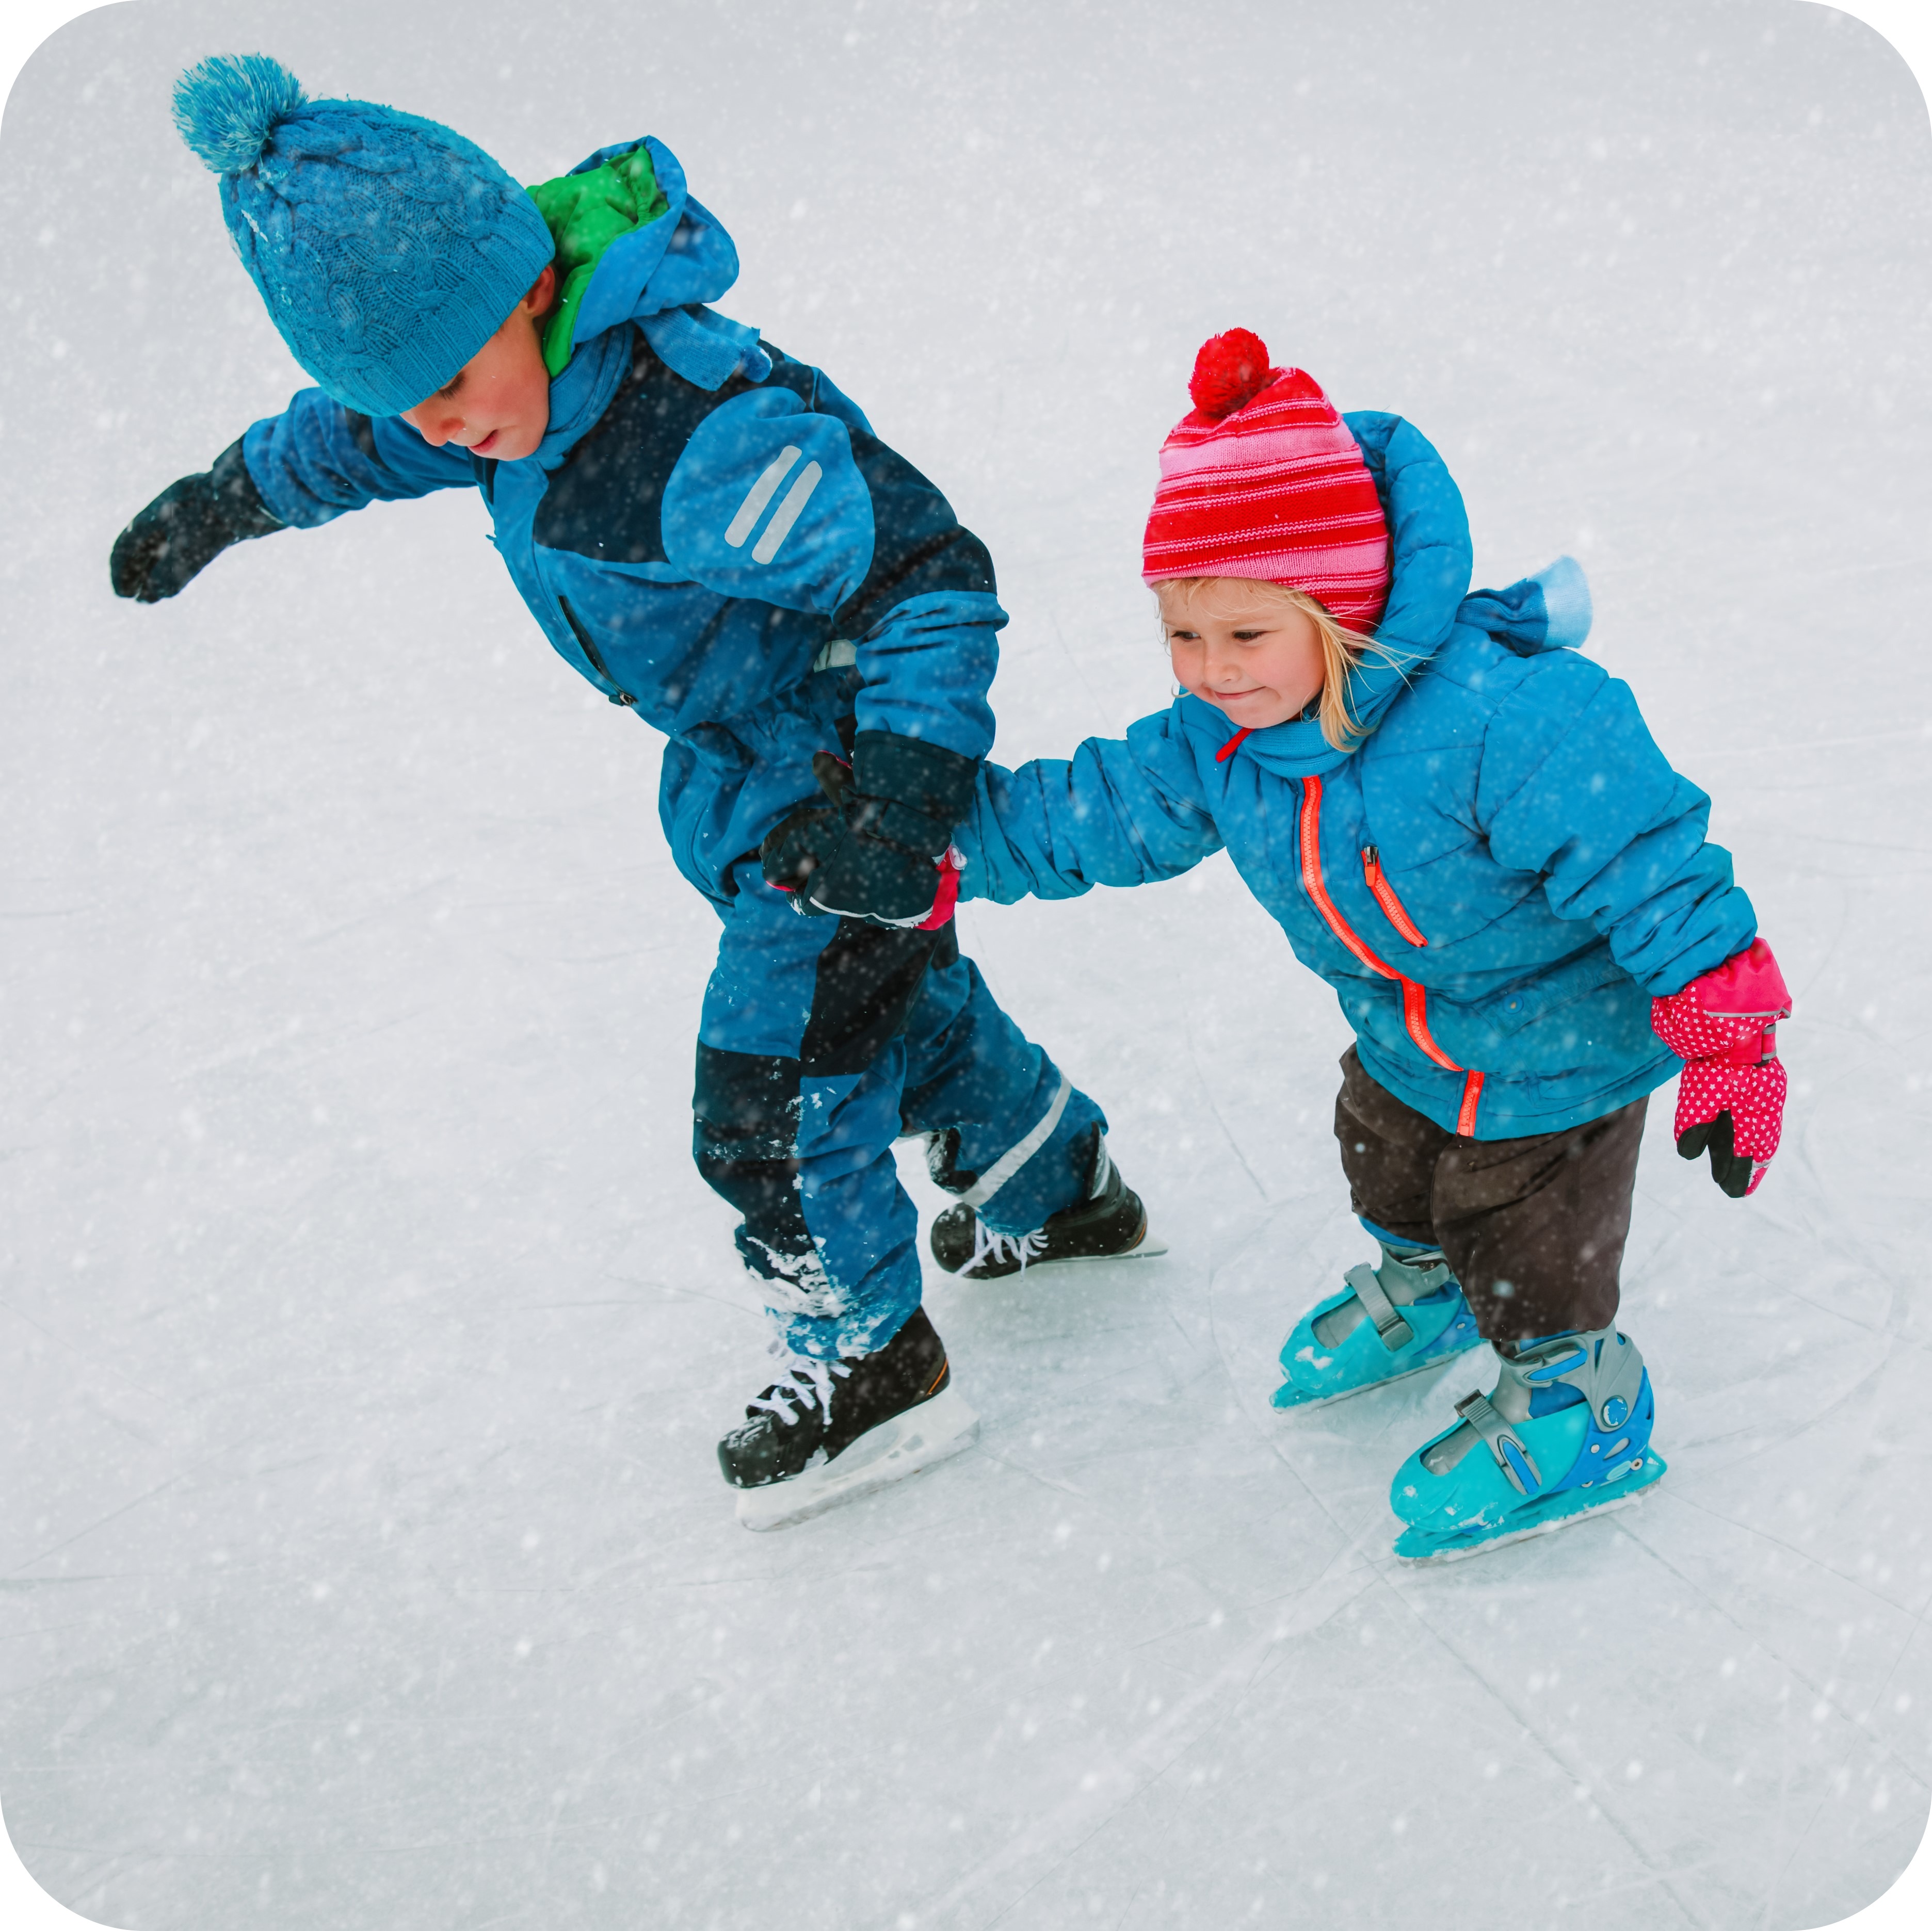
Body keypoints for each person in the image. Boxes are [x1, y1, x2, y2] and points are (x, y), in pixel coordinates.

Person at [110, 55, 1162, 1532]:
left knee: (770, 1099)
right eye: (408, 405)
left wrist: (905, 794)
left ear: (526, 289)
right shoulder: (485, 387)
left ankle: (872, 1360)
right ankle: (1057, 1174)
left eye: (454, 389)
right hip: (745, 777)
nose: (442, 431)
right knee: (881, 1008)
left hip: (836, 784)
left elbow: (925, 571)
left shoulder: (689, 436)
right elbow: (350, 438)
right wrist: (228, 497)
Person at [912, 328, 1791, 1562]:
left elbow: (1651, 863)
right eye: (1183, 634)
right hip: (1404, 1027)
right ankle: (1427, 1284)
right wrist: (945, 848)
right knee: (1384, 1154)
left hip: (1556, 1050)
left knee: (1523, 1231)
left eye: (1247, 637)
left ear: (1342, 611)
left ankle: (1579, 1395)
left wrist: (1729, 1036)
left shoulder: (1502, 718)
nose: (1212, 673)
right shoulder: (1221, 735)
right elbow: (1101, 810)